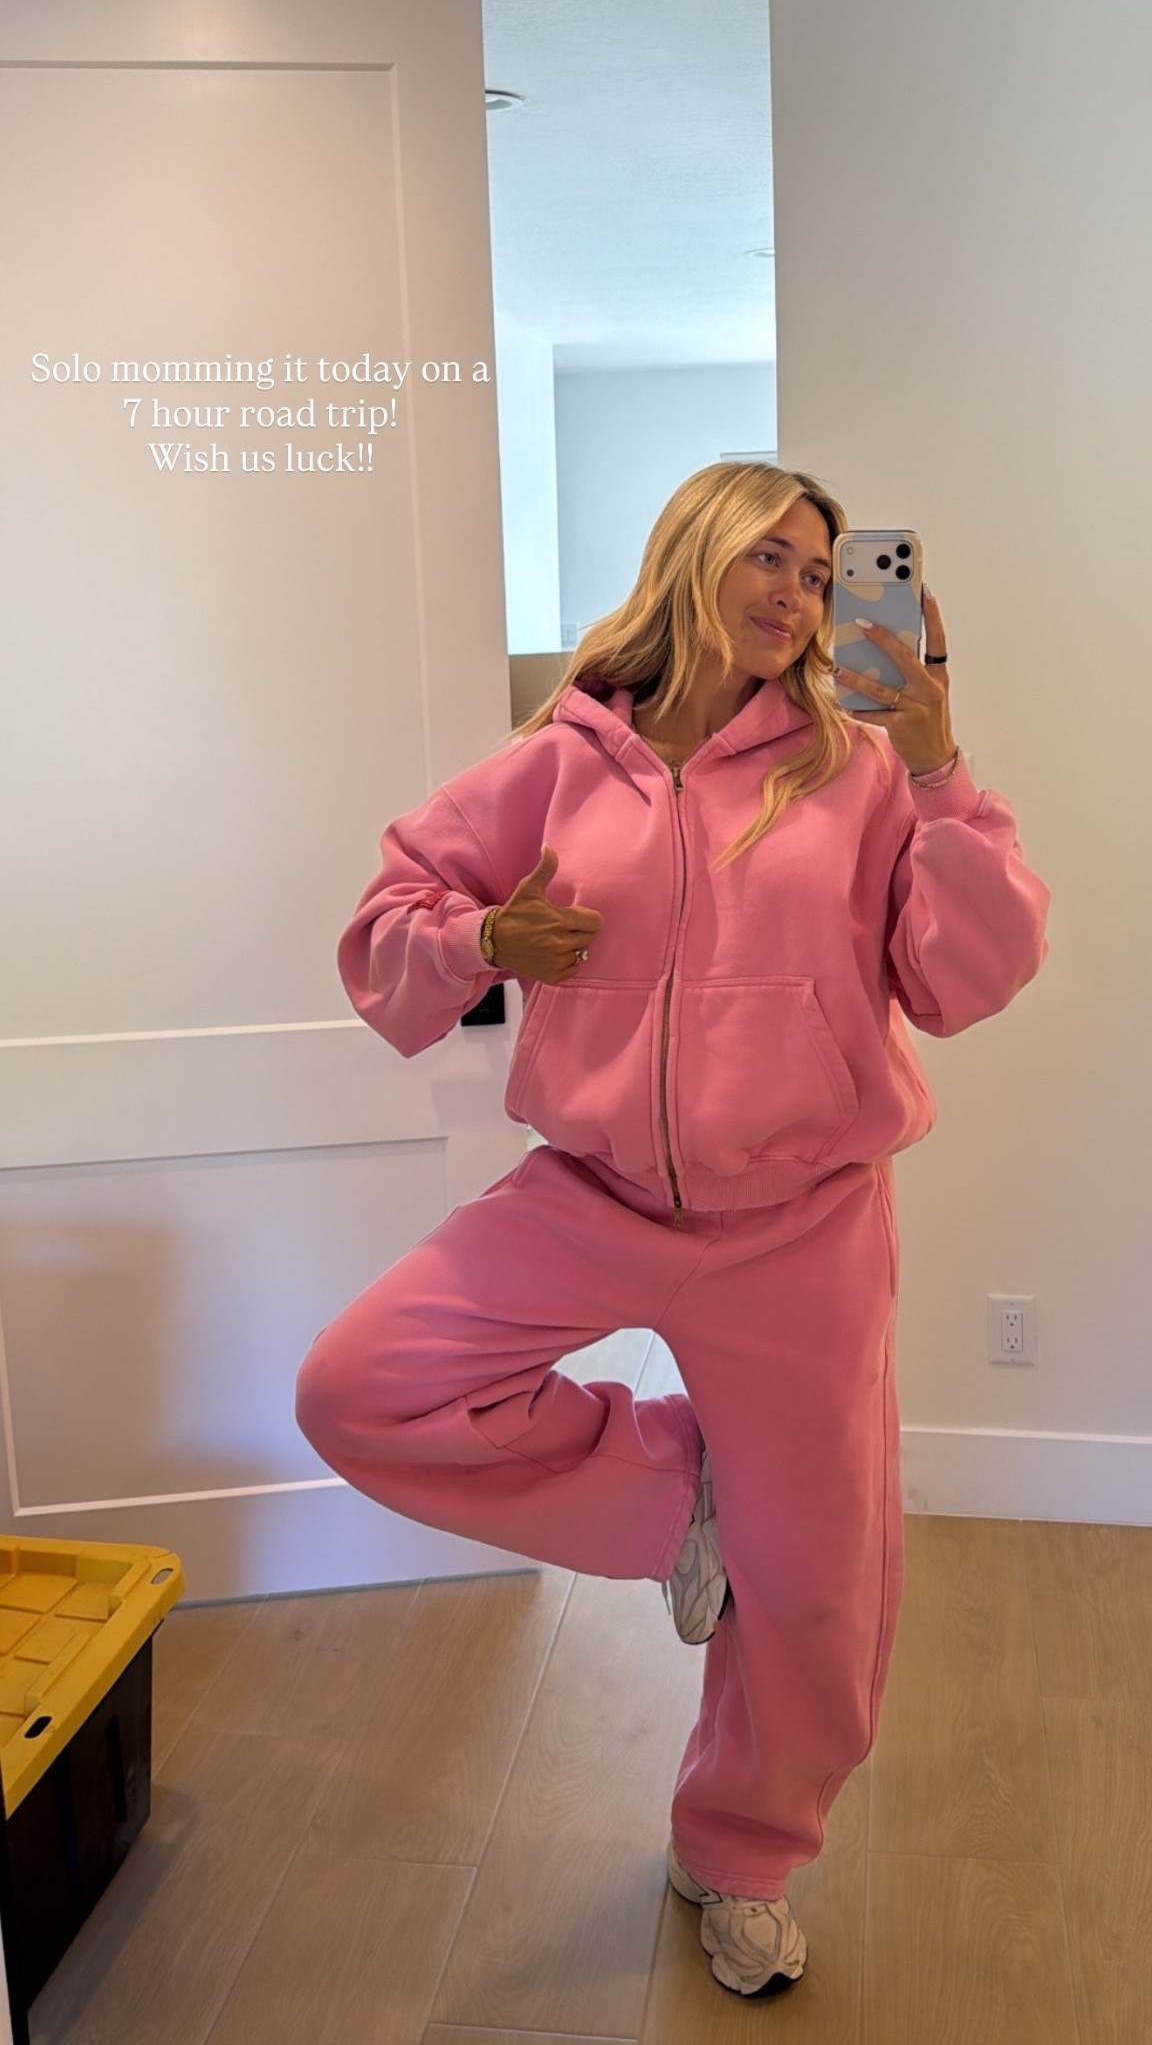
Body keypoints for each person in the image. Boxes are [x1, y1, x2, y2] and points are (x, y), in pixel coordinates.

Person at [294, 459, 1051, 1998]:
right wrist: (482, 937)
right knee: (360, 1385)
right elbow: (385, 927)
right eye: (771, 557)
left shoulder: (860, 769)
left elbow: (965, 979)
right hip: (592, 1193)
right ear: (693, 554)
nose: (800, 592)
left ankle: (743, 1854)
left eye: (825, 573)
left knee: (818, 1589)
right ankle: (677, 1504)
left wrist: (939, 768)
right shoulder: (561, 759)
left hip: (802, 1221)